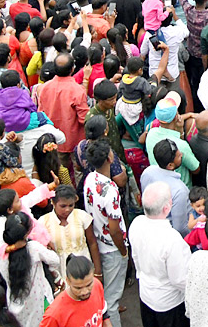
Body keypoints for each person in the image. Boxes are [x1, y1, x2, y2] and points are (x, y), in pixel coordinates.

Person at [129, 181, 192, 327]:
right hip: (170, 303)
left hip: (145, 294)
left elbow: (136, 259)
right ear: (167, 207)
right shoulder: (172, 239)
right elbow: (179, 279)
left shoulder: (136, 224)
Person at [83, 139, 128, 327]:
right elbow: (114, 227)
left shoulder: (90, 179)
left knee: (106, 292)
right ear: (110, 158)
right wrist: (123, 250)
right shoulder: (111, 190)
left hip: (98, 243)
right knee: (111, 300)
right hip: (112, 247)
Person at [0, 212, 60, 327]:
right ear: (27, 233)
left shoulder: (1, 254)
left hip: (16, 306)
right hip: (39, 303)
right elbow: (55, 260)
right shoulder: (34, 248)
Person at [40, 254, 110, 327]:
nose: (85, 292)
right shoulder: (54, 314)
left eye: (89, 285)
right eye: (78, 288)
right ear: (68, 281)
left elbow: (104, 316)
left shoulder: (96, 285)